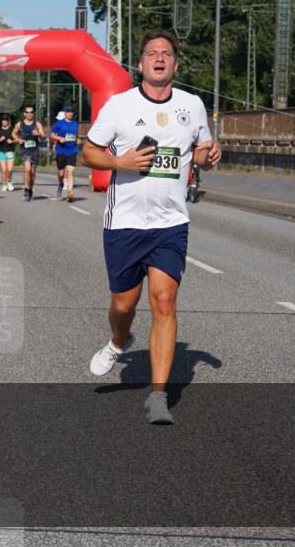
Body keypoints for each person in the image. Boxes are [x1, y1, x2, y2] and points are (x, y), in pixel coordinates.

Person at [81, 29, 221, 425]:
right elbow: (89, 152)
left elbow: (201, 154)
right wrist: (119, 163)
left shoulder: (192, 105)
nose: (159, 59)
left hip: (170, 223)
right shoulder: (119, 105)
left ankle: (158, 396)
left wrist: (210, 155)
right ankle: (119, 341)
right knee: (124, 304)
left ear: (175, 63)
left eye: (166, 54)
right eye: (151, 53)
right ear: (140, 63)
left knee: (164, 302)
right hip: (124, 223)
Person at [12, 105, 45, 201]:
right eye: (28, 112)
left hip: (35, 150)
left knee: (33, 173)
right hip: (25, 150)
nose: (30, 114)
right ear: (24, 114)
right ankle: (26, 189)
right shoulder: (20, 124)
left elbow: (43, 137)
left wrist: (38, 134)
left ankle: (30, 189)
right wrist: (18, 139)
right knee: (27, 169)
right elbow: (13, 133)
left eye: (31, 112)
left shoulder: (37, 124)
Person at [51, 105, 82, 201]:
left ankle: (70, 193)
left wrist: (78, 140)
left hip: (72, 151)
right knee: (61, 174)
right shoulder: (59, 124)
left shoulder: (75, 124)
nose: (70, 113)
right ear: (64, 113)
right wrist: (59, 138)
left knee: (70, 171)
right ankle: (60, 184)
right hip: (61, 151)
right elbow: (52, 134)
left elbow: (75, 136)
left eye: (71, 112)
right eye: (68, 112)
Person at [0, 114, 16, 191]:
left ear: (8, 121)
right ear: (1, 121)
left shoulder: (12, 130)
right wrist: (0, 140)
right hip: (1, 152)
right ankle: (4, 185)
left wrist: (12, 141)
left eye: (6, 120)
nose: (4, 122)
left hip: (10, 151)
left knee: (9, 170)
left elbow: (18, 140)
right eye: (3, 120)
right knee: (4, 170)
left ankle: (9, 182)